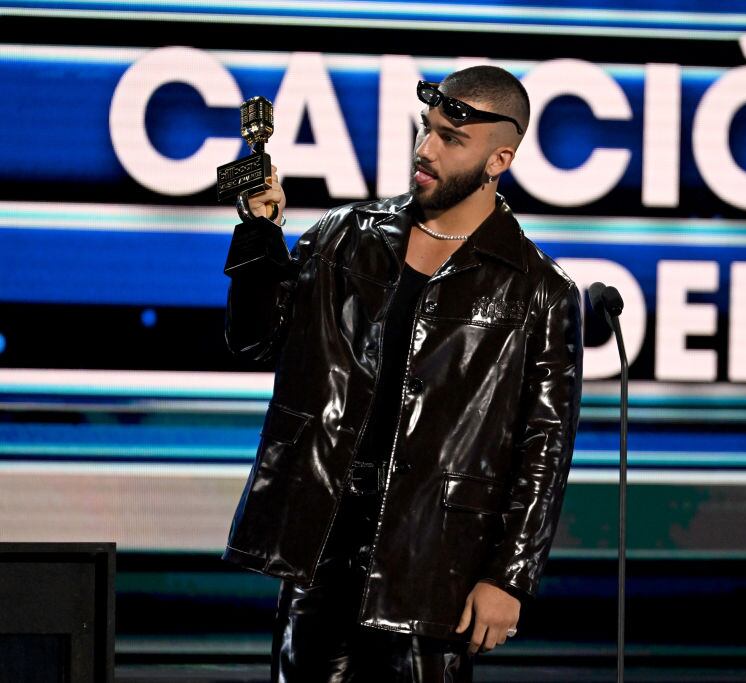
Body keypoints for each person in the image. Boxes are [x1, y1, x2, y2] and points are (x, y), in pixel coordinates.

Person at [221, 65, 584, 682]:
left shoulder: (540, 292)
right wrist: (259, 233)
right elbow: (254, 342)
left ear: (499, 160)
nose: (426, 149)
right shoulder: (344, 238)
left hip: (434, 560)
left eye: (451, 138)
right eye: (427, 129)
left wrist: (509, 578)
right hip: (323, 543)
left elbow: (543, 448)